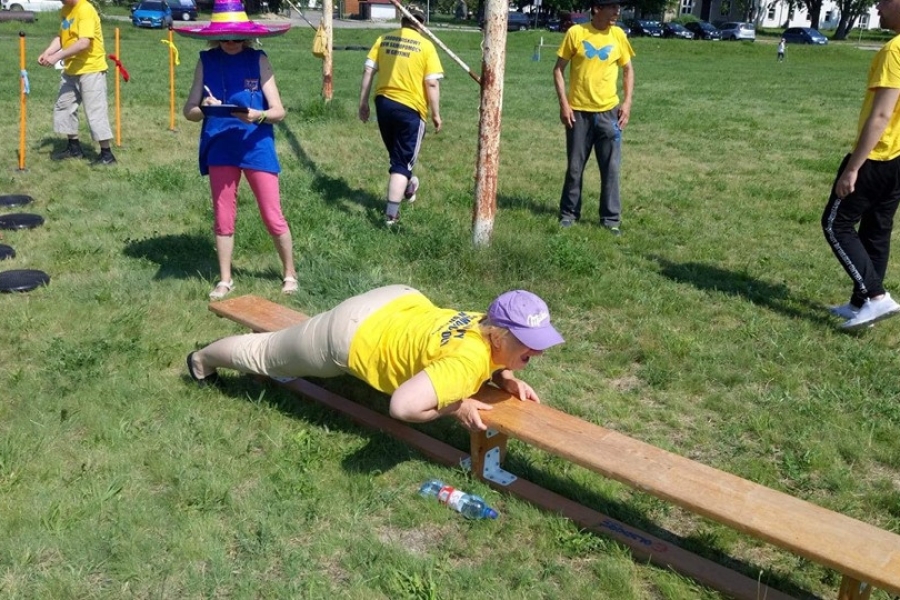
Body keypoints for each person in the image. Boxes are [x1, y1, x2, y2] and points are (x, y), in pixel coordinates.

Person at [186, 286, 564, 431]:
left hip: (397, 299)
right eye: (530, 342)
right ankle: (201, 360)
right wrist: (457, 407)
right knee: (265, 353)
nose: (540, 351)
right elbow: (401, 406)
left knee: (276, 346)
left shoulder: (485, 325)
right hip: (349, 334)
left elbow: (484, 355)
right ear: (500, 335)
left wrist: (505, 377)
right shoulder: (465, 365)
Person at [175, 0, 297, 300]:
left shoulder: (259, 59)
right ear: (214, 36)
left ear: (246, 36)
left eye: (236, 37)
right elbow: (189, 110)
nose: (230, 42)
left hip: (256, 146)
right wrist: (204, 109)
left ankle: (289, 273)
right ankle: (225, 279)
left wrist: (259, 115)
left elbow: (279, 111)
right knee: (223, 216)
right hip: (220, 147)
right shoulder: (206, 60)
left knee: (272, 214)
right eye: (224, 37)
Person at [822, 0, 900, 331]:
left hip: (877, 156)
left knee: (835, 224)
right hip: (898, 159)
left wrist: (853, 167)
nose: (878, 7)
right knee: (876, 231)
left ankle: (876, 297)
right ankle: (860, 305)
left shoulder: (894, 52)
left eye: (884, 1)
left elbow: (882, 114)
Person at [358, 6, 444, 227]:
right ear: (421, 24)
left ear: (402, 21)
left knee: (398, 156)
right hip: (410, 109)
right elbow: (432, 83)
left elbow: (369, 70)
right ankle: (391, 215)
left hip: (384, 104)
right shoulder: (426, 46)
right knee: (401, 162)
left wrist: (363, 103)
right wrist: (435, 113)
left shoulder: (384, 39)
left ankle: (408, 186)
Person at [553, 0, 634, 235]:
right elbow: (558, 69)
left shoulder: (618, 35)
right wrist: (564, 104)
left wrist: (627, 103)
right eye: (612, 7)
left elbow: (628, 70)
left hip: (609, 113)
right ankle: (569, 214)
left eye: (618, 7)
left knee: (610, 168)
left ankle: (610, 219)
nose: (617, 11)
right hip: (578, 114)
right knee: (575, 167)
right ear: (597, 8)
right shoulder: (576, 33)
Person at [37, 0, 116, 165]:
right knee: (64, 106)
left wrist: (56, 57)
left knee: (95, 112)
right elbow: (62, 37)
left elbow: (83, 43)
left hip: (91, 69)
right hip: (71, 69)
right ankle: (74, 148)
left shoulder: (85, 9)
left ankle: (107, 155)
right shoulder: (66, 9)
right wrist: (47, 52)